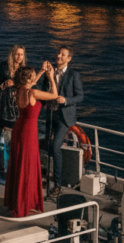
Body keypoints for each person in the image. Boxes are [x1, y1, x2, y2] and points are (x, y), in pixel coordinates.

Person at [4, 62, 56, 217]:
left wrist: (40, 71)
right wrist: (51, 78)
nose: (35, 79)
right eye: (33, 76)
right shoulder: (33, 93)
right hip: (28, 132)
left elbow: (31, 83)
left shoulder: (19, 89)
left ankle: (18, 202)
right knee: (27, 166)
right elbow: (54, 95)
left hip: (19, 129)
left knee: (19, 165)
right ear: (29, 80)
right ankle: (25, 204)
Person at [45, 47, 84, 198]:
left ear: (69, 59)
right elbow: (43, 89)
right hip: (50, 114)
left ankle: (57, 185)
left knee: (55, 147)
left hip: (64, 117)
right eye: (58, 53)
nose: (59, 56)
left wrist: (66, 100)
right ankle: (47, 180)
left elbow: (80, 96)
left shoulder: (74, 74)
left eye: (63, 55)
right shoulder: (50, 72)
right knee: (48, 147)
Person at [0, 45, 26, 170]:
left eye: (21, 54)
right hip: (4, 104)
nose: (19, 57)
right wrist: (4, 85)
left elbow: (29, 84)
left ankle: (13, 166)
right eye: (17, 54)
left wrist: (15, 83)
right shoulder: (4, 66)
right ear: (12, 54)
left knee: (15, 137)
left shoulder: (24, 69)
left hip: (17, 105)